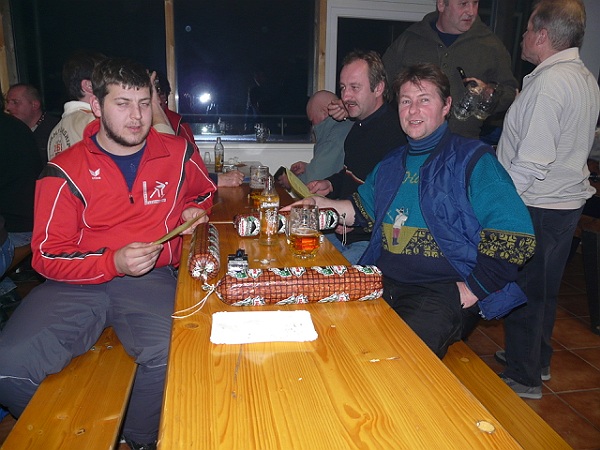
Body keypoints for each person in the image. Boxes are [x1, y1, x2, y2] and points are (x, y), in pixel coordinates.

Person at [0, 57, 217, 449]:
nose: (137, 116)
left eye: (144, 103)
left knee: (175, 351)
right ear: (96, 106)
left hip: (150, 278)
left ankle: (140, 439)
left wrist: (194, 210)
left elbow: (203, 192)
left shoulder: (179, 152)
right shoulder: (63, 170)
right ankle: (78, 435)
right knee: (8, 366)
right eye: (123, 104)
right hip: (74, 283)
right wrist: (112, 261)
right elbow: (45, 255)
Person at [284, 63, 535, 358]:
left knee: (394, 361)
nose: (413, 110)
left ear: (446, 106)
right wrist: (319, 205)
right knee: (331, 335)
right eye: (406, 101)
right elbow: (359, 210)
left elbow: (516, 236)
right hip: (383, 280)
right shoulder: (391, 163)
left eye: (424, 100)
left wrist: (471, 290)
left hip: (438, 292)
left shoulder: (473, 159)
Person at [495, 0, 600, 399]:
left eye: (527, 29)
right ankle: (536, 358)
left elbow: (532, 161)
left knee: (524, 288)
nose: (522, 36)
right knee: (544, 289)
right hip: (564, 204)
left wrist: (500, 203)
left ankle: (524, 376)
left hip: (536, 204)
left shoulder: (550, 84)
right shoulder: (583, 77)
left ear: (541, 35)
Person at [307, 50, 406, 264]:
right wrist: (330, 184)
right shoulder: (357, 127)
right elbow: (352, 174)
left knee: (329, 279)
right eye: (343, 87)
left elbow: (394, 202)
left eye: (355, 87)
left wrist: (357, 221)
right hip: (342, 235)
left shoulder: (397, 133)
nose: (346, 97)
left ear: (378, 88)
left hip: (372, 242)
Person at [382, 0, 518, 140]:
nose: (471, 11)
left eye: (475, 3)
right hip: (410, 143)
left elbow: (510, 93)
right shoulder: (411, 39)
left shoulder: (491, 45)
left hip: (464, 143)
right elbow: (380, 85)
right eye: (463, 4)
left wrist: (489, 95)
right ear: (441, 4)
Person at [155, 73, 244, 188]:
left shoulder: (177, 122)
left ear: (166, 97)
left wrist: (215, 179)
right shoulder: (138, 128)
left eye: (161, 94)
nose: (158, 100)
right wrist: (216, 179)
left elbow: (193, 160)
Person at [0, 95, 43, 309]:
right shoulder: (17, 127)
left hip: (16, 229)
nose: (10, 107)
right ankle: (7, 291)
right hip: (33, 218)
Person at [277, 90, 352, 189]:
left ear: (325, 112)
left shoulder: (334, 138)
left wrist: (291, 182)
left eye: (312, 121)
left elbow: (314, 181)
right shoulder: (345, 127)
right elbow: (334, 168)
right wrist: (308, 167)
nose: (313, 126)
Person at [47, 50, 107, 161]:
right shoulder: (95, 122)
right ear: (88, 86)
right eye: (106, 79)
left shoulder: (55, 132)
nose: (113, 84)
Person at [5, 83, 60, 163]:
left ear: (35, 105)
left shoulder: (56, 130)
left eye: (15, 102)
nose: (8, 107)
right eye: (8, 102)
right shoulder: (11, 132)